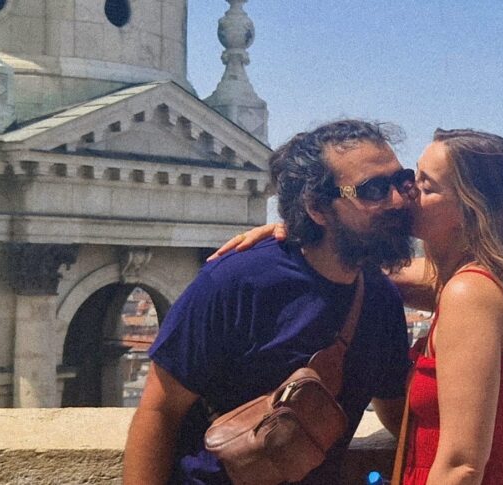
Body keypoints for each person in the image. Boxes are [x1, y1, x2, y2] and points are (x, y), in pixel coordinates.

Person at [215, 128, 503, 484]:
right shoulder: (475, 282)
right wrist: (310, 229)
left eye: (425, 186)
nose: (405, 194)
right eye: (410, 178)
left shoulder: (468, 293)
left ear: (469, 210)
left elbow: (461, 466)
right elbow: (361, 267)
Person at [123, 119, 418, 484]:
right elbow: (159, 411)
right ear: (317, 207)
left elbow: (398, 414)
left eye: (402, 181)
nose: (398, 200)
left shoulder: (380, 300)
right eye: (373, 189)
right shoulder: (235, 282)